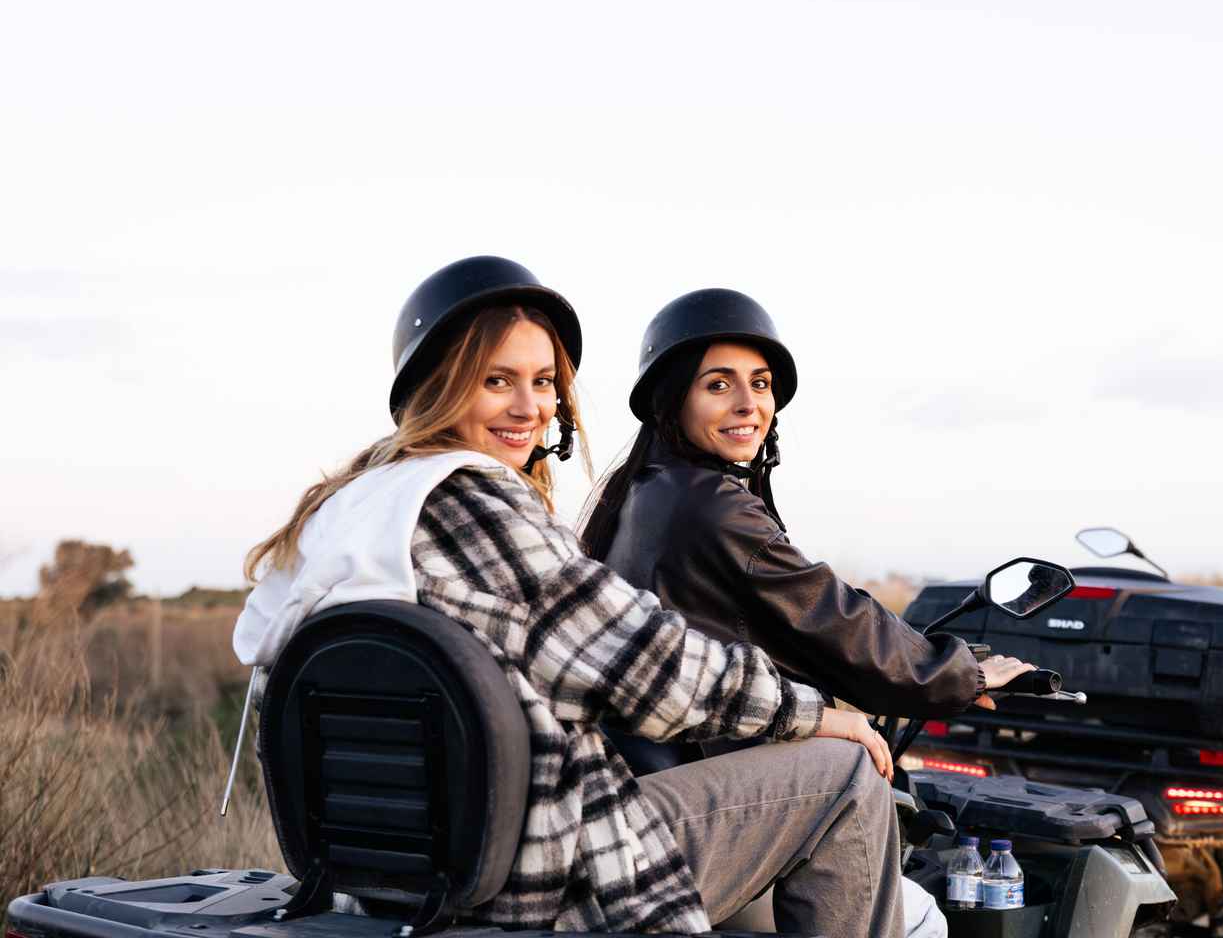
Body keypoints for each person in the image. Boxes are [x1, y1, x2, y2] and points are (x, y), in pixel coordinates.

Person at [231, 258, 905, 938]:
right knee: (846, 774)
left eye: (544, 382)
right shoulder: (469, 503)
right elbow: (648, 665)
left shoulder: (353, 511)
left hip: (395, 887)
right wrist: (814, 715)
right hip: (554, 880)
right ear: (438, 387)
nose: (529, 408)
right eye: (497, 381)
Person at [581, 287, 1037, 778]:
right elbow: (831, 616)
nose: (747, 404)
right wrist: (962, 673)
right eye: (717, 385)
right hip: (698, 766)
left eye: (760, 384)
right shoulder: (710, 505)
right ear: (670, 400)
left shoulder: (640, 489)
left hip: (655, 760)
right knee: (857, 771)